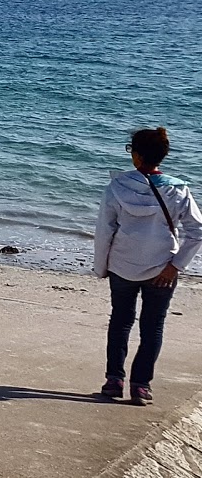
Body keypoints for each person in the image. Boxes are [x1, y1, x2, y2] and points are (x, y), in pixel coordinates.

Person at [94, 128, 202, 405]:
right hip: (162, 267)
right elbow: (197, 231)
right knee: (152, 327)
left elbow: (104, 231)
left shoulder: (117, 186)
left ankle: (114, 380)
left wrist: (101, 266)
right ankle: (141, 386)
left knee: (120, 322)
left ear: (136, 154)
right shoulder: (178, 189)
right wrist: (177, 265)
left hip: (122, 264)